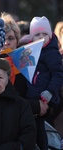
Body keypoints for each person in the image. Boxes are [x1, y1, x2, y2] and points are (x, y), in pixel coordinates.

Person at [27, 16, 63, 150]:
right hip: (34, 96)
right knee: (34, 128)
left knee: (41, 128)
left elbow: (58, 75)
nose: (41, 37)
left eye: (44, 34)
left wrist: (50, 92)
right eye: (37, 34)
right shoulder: (33, 51)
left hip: (46, 97)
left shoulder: (51, 53)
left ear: (50, 35)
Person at [0, 12, 27, 97]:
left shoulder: (26, 62)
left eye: (10, 38)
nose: (6, 43)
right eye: (2, 39)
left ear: (17, 41)